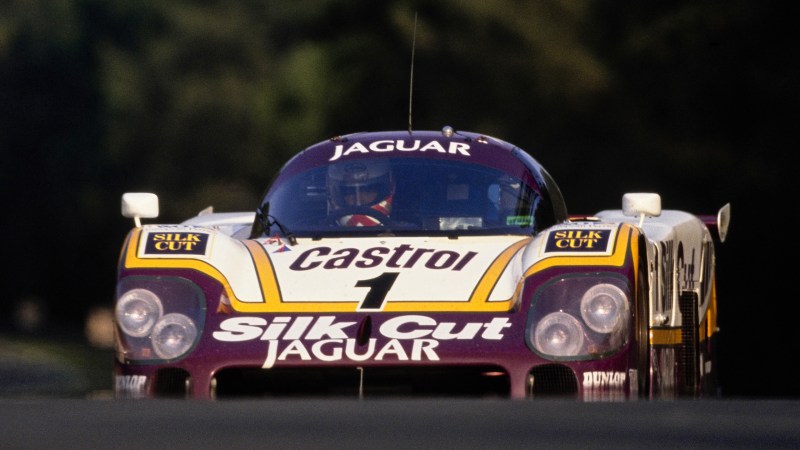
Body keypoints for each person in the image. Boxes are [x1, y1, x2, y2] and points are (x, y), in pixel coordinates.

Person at [327, 159, 394, 226]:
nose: (358, 202)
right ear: (334, 193)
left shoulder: (403, 232)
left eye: (367, 190)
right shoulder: (319, 231)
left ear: (390, 188)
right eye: (349, 192)